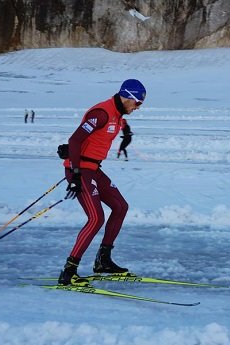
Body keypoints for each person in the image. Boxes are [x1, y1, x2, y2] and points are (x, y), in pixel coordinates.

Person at [59, 79, 146, 287]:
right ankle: (68, 272)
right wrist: (76, 174)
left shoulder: (118, 114)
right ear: (126, 97)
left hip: (94, 169)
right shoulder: (102, 113)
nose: (138, 108)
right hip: (80, 170)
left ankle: (103, 261)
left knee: (120, 206)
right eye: (137, 103)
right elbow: (74, 140)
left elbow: (99, 135)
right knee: (96, 218)